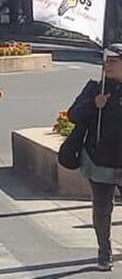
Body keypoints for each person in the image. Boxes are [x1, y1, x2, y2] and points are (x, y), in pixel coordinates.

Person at [67, 46, 122, 271]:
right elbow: (73, 114)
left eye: (113, 61)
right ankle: (104, 250)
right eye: (106, 61)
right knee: (102, 208)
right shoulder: (94, 87)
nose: (107, 65)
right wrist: (93, 104)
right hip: (99, 160)